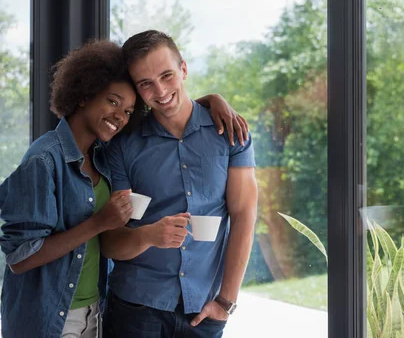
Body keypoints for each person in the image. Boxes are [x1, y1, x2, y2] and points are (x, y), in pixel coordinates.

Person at [0, 40, 247, 338]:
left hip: (94, 310)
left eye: (128, 110)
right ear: (84, 95)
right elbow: (20, 258)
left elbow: (168, 104)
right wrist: (100, 223)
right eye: (113, 101)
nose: (120, 116)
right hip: (51, 315)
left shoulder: (101, 154)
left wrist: (210, 101)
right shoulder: (44, 159)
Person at [101, 30, 258, 338]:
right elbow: (109, 242)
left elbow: (244, 216)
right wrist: (148, 235)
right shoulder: (123, 147)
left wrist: (226, 301)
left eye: (167, 75)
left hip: (203, 311)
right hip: (134, 309)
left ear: (184, 69)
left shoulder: (230, 134)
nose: (160, 91)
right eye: (145, 83)